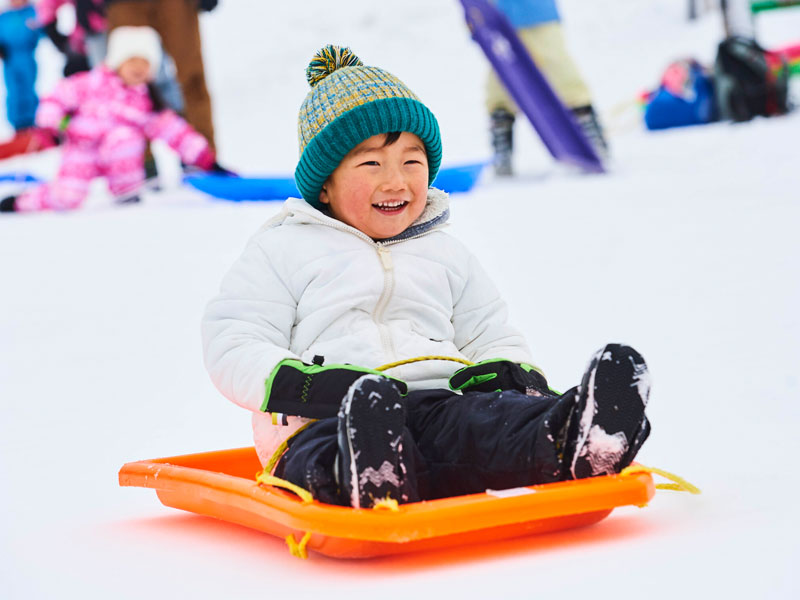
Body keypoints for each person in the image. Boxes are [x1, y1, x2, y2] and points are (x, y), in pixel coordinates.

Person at [201, 45, 651, 508]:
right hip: (325, 417)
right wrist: (303, 387)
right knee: (321, 450)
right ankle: (365, 470)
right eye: (371, 163)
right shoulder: (282, 249)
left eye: (411, 162)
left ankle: (570, 436)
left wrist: (513, 377)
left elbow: (489, 331)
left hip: (441, 406)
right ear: (324, 185)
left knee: (490, 423)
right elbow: (235, 338)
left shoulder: (445, 254)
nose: (396, 181)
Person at [0, 26, 221, 213]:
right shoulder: (90, 83)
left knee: (125, 137)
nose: (138, 68)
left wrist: (206, 159)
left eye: (145, 62)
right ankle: (20, 202)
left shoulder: (147, 102)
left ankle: (126, 191)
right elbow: (56, 98)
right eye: (132, 60)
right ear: (117, 61)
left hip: (120, 161)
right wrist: (51, 126)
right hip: (81, 150)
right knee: (67, 197)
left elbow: (176, 131)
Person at [487, 0, 608, 175]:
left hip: (537, 12)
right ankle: (502, 142)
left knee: (559, 68)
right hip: (493, 13)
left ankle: (588, 132)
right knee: (500, 79)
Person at [104, 0, 218, 151]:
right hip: (124, 4)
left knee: (191, 77)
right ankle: (138, 163)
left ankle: (203, 157)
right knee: (127, 85)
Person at [0, 0, 54, 151]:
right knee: (14, 91)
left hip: (27, 56)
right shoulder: (4, 15)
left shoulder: (32, 11)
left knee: (28, 89)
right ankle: (18, 126)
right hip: (10, 59)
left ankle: (31, 123)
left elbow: (43, 28)